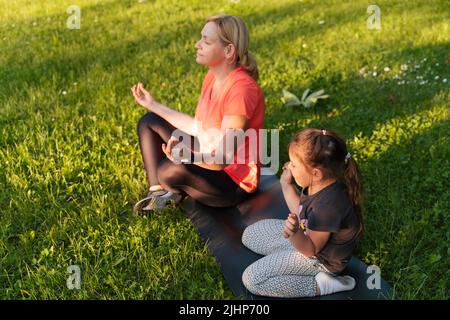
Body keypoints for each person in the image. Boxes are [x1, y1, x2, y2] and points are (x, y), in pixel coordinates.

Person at [131, 15, 264, 214]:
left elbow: (223, 159)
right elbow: (197, 127)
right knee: (149, 122)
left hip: (232, 182)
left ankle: (174, 192)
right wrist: (153, 105)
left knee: (168, 170)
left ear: (228, 51)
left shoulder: (241, 91)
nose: (197, 45)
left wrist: (187, 157)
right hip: (209, 152)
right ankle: (158, 194)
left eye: (206, 41)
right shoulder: (213, 76)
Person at [241, 128, 363, 298]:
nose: (289, 166)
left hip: (318, 259)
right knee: (250, 235)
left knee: (254, 279)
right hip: (305, 237)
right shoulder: (318, 183)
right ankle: (285, 259)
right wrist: (286, 185)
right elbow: (302, 210)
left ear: (316, 173)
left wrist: (295, 233)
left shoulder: (329, 206)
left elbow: (310, 250)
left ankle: (323, 284)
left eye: (294, 164)